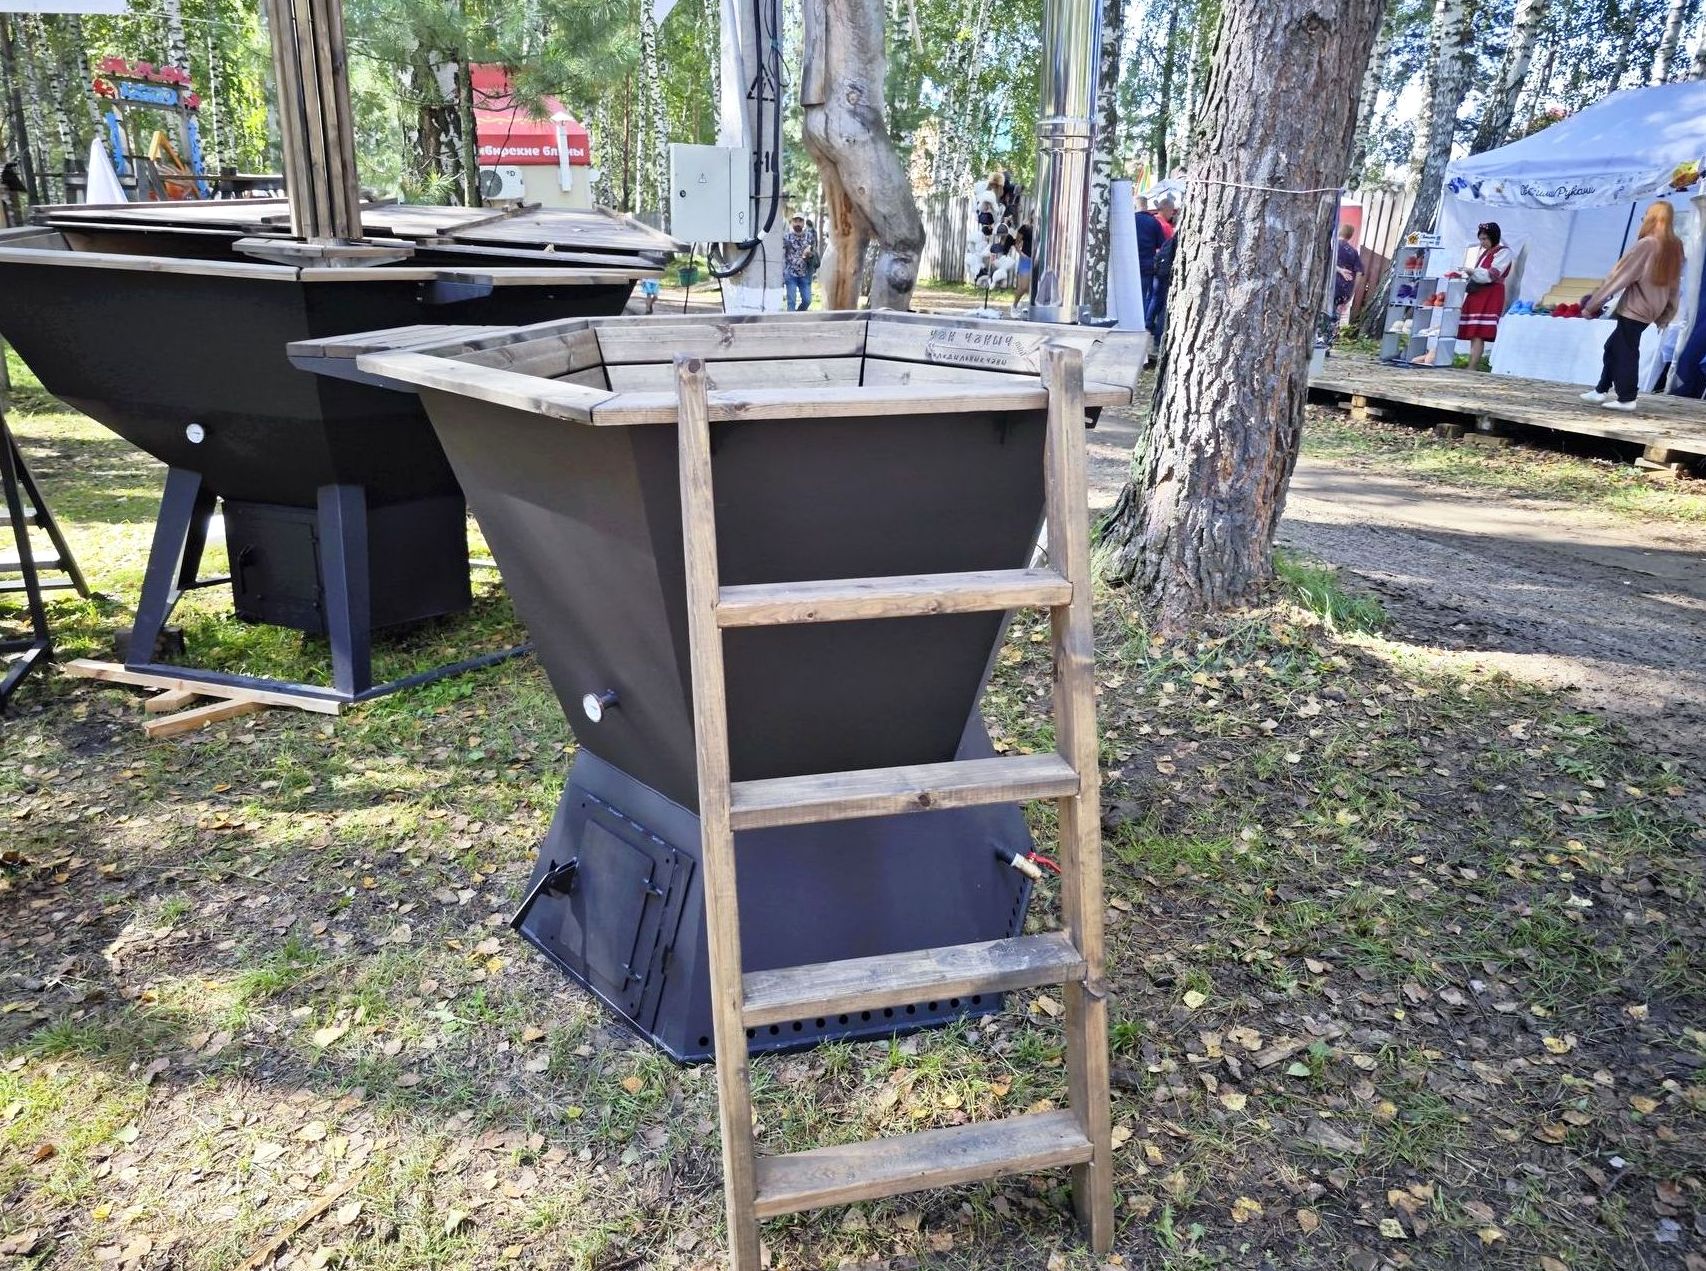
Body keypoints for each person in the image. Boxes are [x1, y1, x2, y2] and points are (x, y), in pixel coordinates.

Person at [1579, 201, 1684, 413]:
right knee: (1613, 346)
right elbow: (1674, 285)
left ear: (1652, 218)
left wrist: (1592, 305)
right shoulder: (1674, 246)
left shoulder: (1647, 244)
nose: (1643, 219)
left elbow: (1619, 277)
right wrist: (1667, 313)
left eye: (1646, 215)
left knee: (1624, 351)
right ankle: (1601, 389)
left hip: (1636, 308)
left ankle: (1627, 397)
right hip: (1652, 308)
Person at [1457, 221, 1515, 372]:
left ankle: (1472, 366)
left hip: (1490, 293)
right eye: (1480, 239)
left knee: (1479, 331)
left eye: (1485, 239)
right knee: (1474, 331)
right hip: (1478, 293)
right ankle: (1471, 365)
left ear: (1494, 237)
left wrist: (1472, 271)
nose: (1482, 242)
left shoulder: (1503, 252)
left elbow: (1491, 275)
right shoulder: (1485, 253)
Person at [1134, 197, 1167, 322]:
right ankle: (1139, 324)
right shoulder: (1154, 222)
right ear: (1146, 206)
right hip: (1147, 265)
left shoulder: (1130, 220)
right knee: (1143, 296)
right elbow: (1162, 245)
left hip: (1129, 265)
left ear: (1135, 206)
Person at [1334, 223, 1365, 327]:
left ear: (1340, 231)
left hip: (1330, 287)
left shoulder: (1333, 245)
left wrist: (1338, 269)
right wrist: (1351, 293)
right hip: (1345, 290)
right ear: (1350, 235)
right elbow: (1359, 273)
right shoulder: (1354, 252)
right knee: (1336, 318)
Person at [782, 214, 813, 311]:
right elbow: (782, 254)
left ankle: (798, 314)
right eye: (795, 221)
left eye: (800, 221)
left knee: (807, 300)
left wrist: (810, 254)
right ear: (792, 223)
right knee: (791, 302)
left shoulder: (809, 236)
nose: (798, 224)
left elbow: (814, 253)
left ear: (803, 223)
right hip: (790, 274)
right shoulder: (786, 237)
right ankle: (791, 319)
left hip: (804, 274)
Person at [1014, 218, 1034, 304]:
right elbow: (1016, 243)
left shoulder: (1043, 228)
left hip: (1038, 260)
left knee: (1032, 288)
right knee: (1024, 287)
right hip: (1026, 260)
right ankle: (1014, 305)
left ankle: (1028, 305)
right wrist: (1021, 254)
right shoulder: (1025, 228)